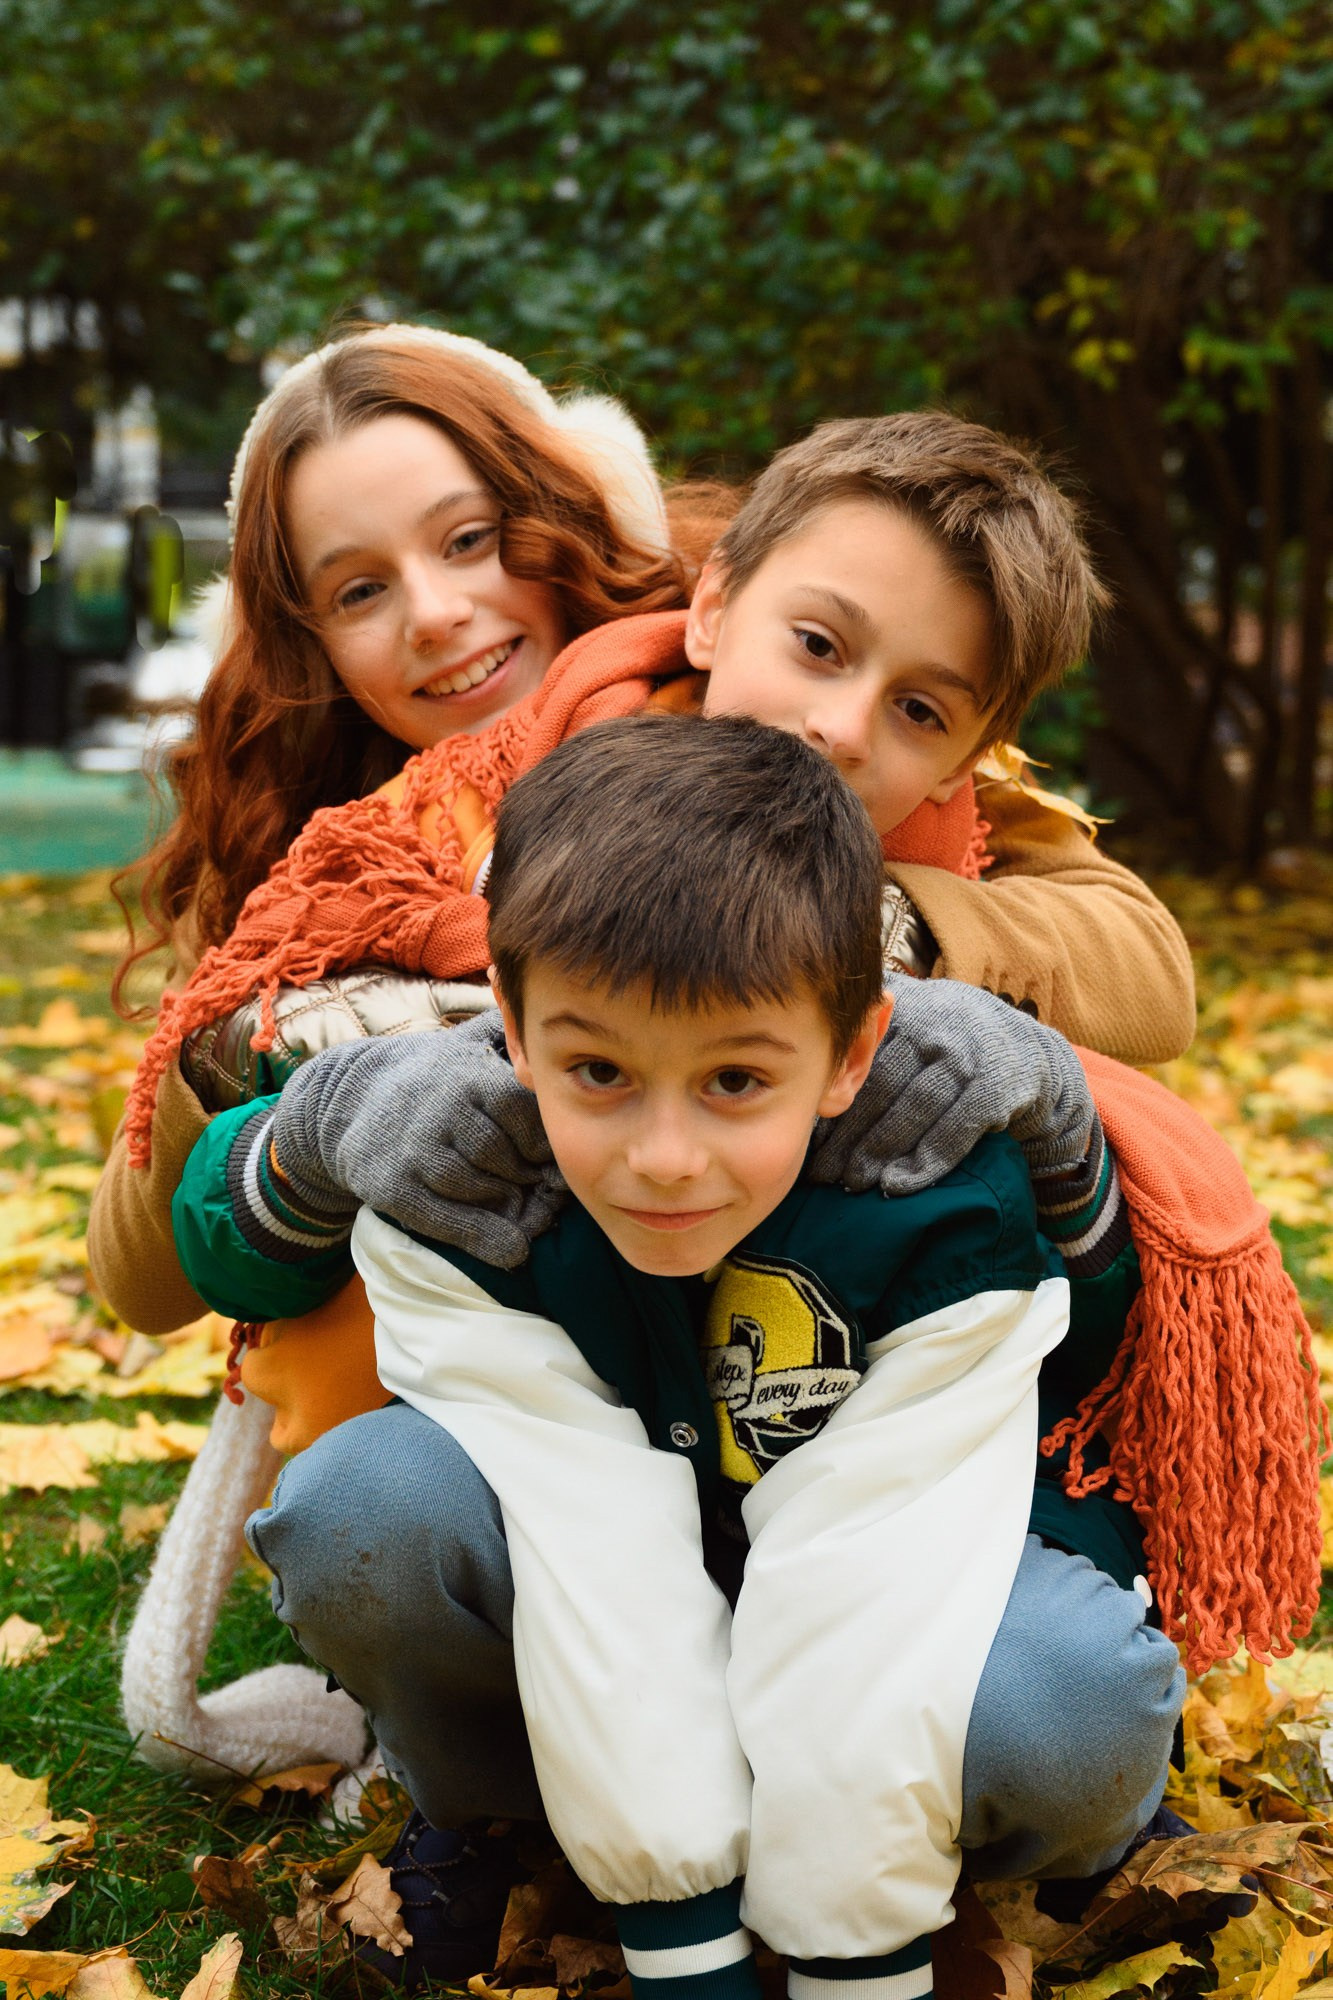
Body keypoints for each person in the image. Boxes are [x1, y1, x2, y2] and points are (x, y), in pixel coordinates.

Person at [174, 713, 1199, 2000]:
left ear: (851, 1051)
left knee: (1066, 1703)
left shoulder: (925, 1148)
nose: (664, 1154)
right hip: (568, 1579)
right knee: (362, 1510)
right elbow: (220, 1261)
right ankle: (501, 1812)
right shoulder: (470, 1132)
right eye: (598, 1068)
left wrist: (1058, 1127)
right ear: (513, 1017)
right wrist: (313, 1132)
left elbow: (1097, 1346)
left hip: (899, 1562)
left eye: (733, 1082)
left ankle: (968, 1855)